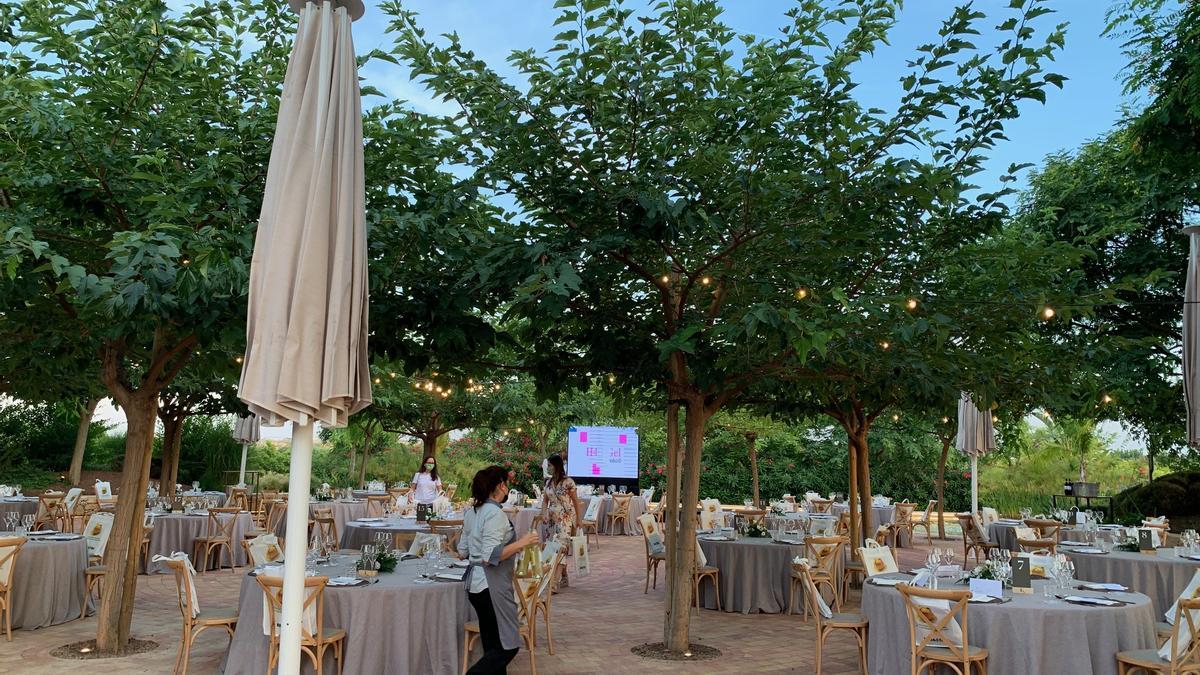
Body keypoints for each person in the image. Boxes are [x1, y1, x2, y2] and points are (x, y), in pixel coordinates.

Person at [458, 465, 539, 674]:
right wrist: (523, 542)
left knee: (492, 643)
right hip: (490, 585)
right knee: (508, 645)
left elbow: (462, 550)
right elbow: (490, 555)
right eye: (507, 484)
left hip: (475, 585)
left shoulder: (471, 513)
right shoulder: (494, 514)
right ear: (501, 486)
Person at [540, 454, 578, 548]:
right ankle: (555, 563)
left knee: (562, 546)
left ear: (556, 466)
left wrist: (579, 520)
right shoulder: (549, 482)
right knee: (551, 547)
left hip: (565, 517)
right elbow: (545, 501)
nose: (548, 468)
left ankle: (561, 563)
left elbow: (575, 501)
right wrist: (544, 513)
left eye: (550, 465)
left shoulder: (568, 482)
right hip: (551, 518)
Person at [411, 455, 442, 521]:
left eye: (432, 463)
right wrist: (410, 495)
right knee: (420, 522)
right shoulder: (418, 475)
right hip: (419, 504)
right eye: (429, 463)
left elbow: (440, 491)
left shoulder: (436, 477)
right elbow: (412, 489)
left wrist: (443, 498)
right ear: (424, 464)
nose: (430, 464)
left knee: (430, 523)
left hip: (431, 505)